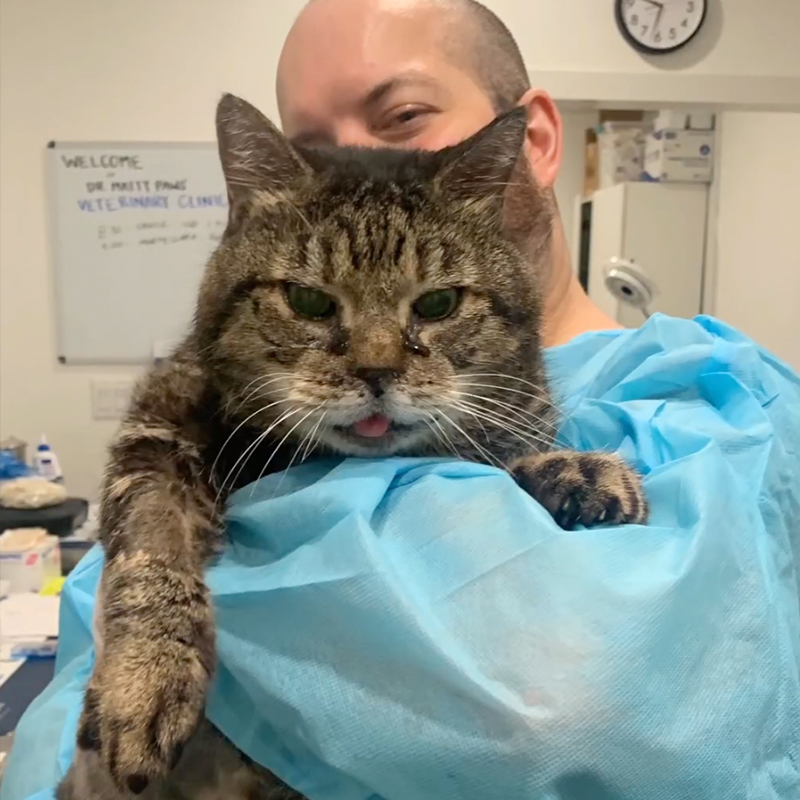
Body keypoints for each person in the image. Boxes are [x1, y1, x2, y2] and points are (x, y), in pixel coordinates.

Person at [3, 2, 799, 799]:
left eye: (403, 114)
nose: (378, 364)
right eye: (314, 138)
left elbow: (588, 722)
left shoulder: (723, 412)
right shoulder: (244, 383)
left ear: (538, 141)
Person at [276, 0, 618, 347]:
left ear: (536, 141)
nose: (358, 163)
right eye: (315, 151)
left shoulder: (657, 393)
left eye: (405, 116)